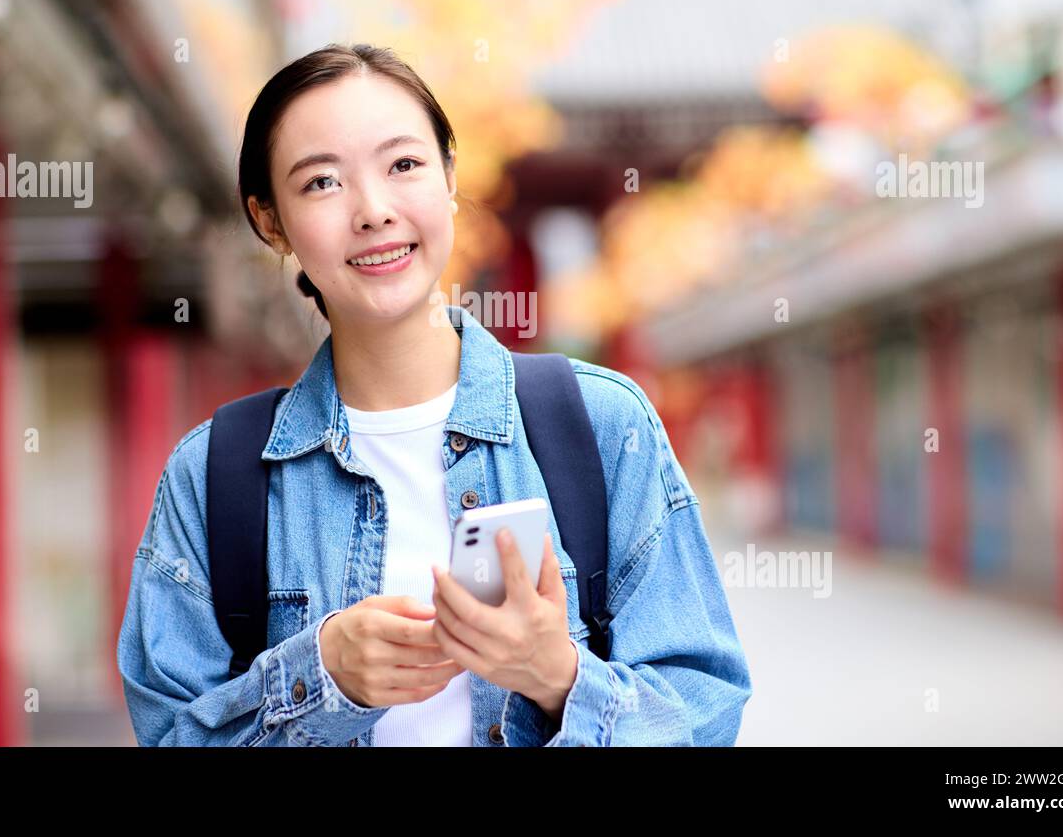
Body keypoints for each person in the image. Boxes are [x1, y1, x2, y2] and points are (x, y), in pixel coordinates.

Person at [116, 43, 752, 746]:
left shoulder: (601, 426)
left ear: (450, 176)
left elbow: (705, 711)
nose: (374, 210)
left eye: (404, 165)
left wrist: (557, 675)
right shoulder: (213, 477)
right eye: (322, 182)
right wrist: (319, 676)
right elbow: (172, 733)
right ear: (271, 220)